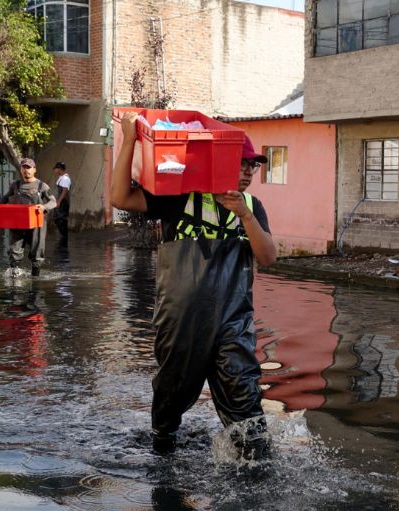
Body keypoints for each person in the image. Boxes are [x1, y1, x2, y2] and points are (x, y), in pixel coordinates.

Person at [110, 112, 277, 457]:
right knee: (172, 394)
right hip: (181, 321)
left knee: (245, 400)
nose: (248, 172)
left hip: (233, 323)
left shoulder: (252, 207)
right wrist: (129, 139)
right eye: (242, 163)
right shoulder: (181, 197)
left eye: (253, 166)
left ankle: (255, 468)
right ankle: (163, 446)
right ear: (220, 161)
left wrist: (245, 217)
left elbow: (269, 257)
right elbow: (120, 199)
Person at [0, 158, 56, 277]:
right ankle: (14, 277)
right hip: (18, 223)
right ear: (21, 169)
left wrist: (44, 206)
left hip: (37, 224)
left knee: (37, 252)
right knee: (14, 250)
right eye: (24, 167)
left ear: (34, 169)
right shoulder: (15, 185)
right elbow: (4, 198)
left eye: (29, 168)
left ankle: (35, 278)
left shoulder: (42, 186)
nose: (26, 170)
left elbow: (53, 202)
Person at [52, 161, 72, 245]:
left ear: (59, 169)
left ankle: (64, 237)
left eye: (55, 169)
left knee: (61, 219)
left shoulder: (65, 178)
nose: (54, 170)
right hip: (61, 201)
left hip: (64, 202)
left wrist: (59, 201)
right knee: (57, 218)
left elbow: (64, 191)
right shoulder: (61, 178)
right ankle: (63, 236)